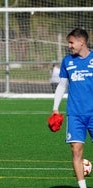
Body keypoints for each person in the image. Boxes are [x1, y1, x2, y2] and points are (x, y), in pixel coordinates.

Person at [52, 28, 93, 188]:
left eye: (71, 42)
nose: (69, 46)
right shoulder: (67, 61)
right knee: (76, 150)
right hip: (75, 114)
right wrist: (55, 108)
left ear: (81, 42)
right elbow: (62, 86)